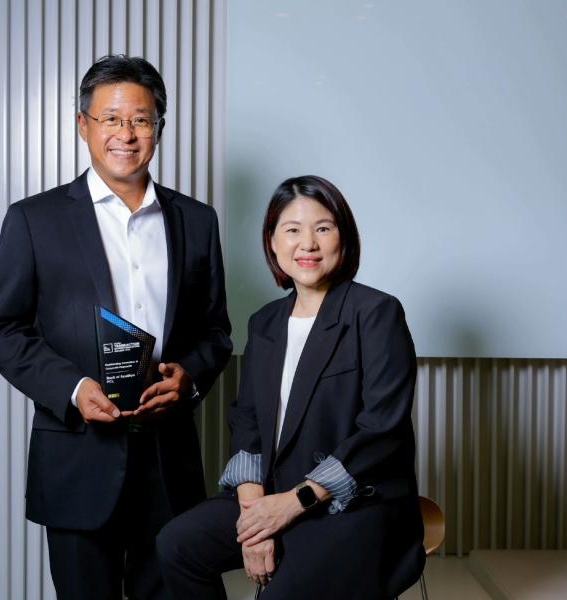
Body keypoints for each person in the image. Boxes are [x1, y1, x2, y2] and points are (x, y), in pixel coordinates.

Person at [0, 55, 232, 600]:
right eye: (111, 119)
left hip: (169, 463)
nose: (126, 134)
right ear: (82, 125)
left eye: (141, 120)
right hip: (77, 459)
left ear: (159, 126)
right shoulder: (34, 219)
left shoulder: (197, 220)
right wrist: (72, 388)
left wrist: (188, 377)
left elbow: (215, 332)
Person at [157, 175, 425, 599]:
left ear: (343, 237)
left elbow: (381, 431)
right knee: (176, 545)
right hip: (273, 493)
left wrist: (290, 504)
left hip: (352, 506)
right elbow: (247, 421)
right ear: (273, 241)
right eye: (293, 230)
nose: (308, 244)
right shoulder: (265, 322)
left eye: (323, 228)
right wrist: (255, 519)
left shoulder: (376, 313)